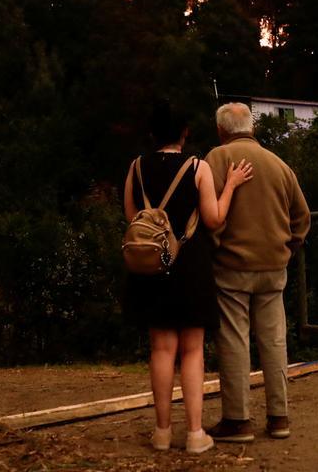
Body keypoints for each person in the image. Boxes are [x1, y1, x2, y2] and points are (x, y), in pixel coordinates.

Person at [124, 100, 253, 454]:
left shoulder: (136, 168)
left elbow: (134, 219)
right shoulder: (197, 167)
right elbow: (213, 219)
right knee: (193, 350)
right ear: (185, 132)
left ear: (152, 133)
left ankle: (162, 432)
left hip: (152, 267)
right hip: (190, 264)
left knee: (161, 349)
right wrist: (231, 186)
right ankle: (195, 434)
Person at [205, 103, 310, 443]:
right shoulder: (279, 165)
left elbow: (209, 217)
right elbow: (302, 217)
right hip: (273, 266)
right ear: (252, 127)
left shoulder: (217, 159)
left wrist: (215, 248)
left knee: (234, 339)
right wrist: (287, 250)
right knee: (274, 339)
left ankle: (238, 421)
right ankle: (279, 418)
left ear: (222, 130)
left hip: (232, 268)